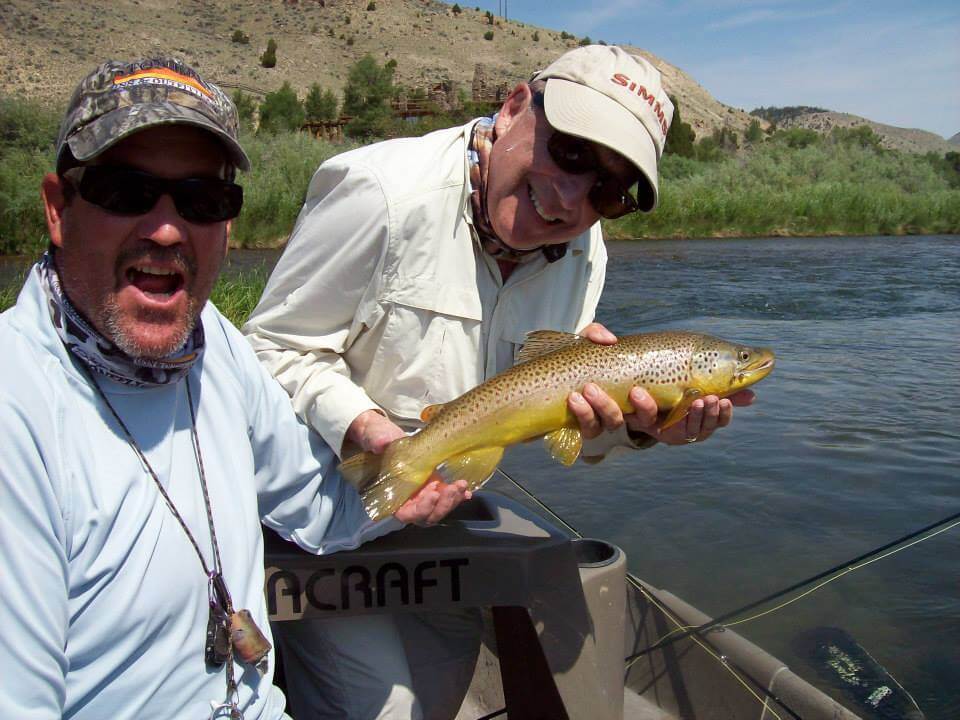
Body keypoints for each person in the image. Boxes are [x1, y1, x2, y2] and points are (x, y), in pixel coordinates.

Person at [244, 45, 756, 719]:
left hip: (439, 521)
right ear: (515, 106)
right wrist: (369, 431)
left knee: (438, 696)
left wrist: (639, 429)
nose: (573, 198)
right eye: (571, 151)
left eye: (609, 189)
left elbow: (563, 419)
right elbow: (269, 350)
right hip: (309, 525)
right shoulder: (381, 195)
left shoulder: (585, 254)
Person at [0, 57, 467, 720]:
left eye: (202, 200)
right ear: (57, 209)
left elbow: (314, 502)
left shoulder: (216, 344)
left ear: (226, 226)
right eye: (125, 190)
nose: (165, 229)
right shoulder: (16, 411)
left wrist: (403, 493)